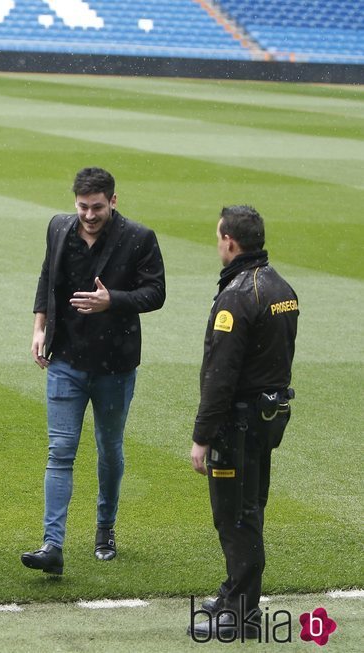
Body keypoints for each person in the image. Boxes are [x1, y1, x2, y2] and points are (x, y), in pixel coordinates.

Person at [21, 167, 165, 575]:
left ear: (113, 201)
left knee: (109, 448)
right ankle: (52, 545)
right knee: (60, 451)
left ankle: (105, 528)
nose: (89, 215)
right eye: (83, 207)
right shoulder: (59, 228)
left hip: (115, 366)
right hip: (64, 359)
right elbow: (47, 277)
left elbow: (156, 293)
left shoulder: (139, 238)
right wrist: (39, 327)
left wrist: (112, 300)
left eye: (97, 207)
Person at [187, 206, 298, 641]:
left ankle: (241, 613)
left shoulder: (237, 295)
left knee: (235, 516)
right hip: (268, 416)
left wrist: (202, 435)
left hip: (238, 424)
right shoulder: (281, 287)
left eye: (218, 237)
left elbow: (221, 376)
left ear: (230, 242)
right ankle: (235, 591)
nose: (217, 243)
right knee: (251, 508)